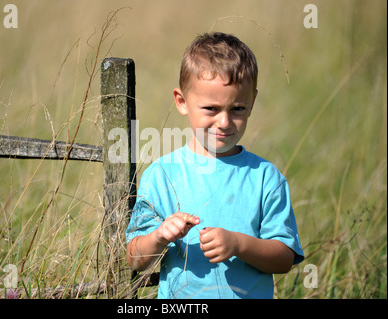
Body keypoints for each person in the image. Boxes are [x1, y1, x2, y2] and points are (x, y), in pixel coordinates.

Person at [126, 32, 304, 299]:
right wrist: (159, 236)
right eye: (211, 108)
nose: (224, 122)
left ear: (252, 102)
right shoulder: (162, 174)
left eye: (238, 109)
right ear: (182, 102)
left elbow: (284, 258)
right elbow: (135, 258)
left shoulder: (266, 178)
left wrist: (239, 245)